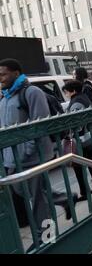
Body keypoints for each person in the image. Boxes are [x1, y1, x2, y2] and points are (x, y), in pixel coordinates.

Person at [0, 58, 52, 243]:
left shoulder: (32, 92)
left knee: (39, 201)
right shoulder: (4, 97)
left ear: (16, 73)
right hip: (11, 160)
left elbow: (40, 124)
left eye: (4, 73)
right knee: (27, 195)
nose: (1, 78)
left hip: (32, 159)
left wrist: (26, 152)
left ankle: (47, 237)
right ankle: (63, 199)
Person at [62, 80, 92, 201]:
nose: (66, 95)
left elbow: (76, 123)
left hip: (82, 138)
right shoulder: (84, 97)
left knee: (78, 166)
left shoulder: (76, 102)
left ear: (73, 91)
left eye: (66, 92)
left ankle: (84, 192)